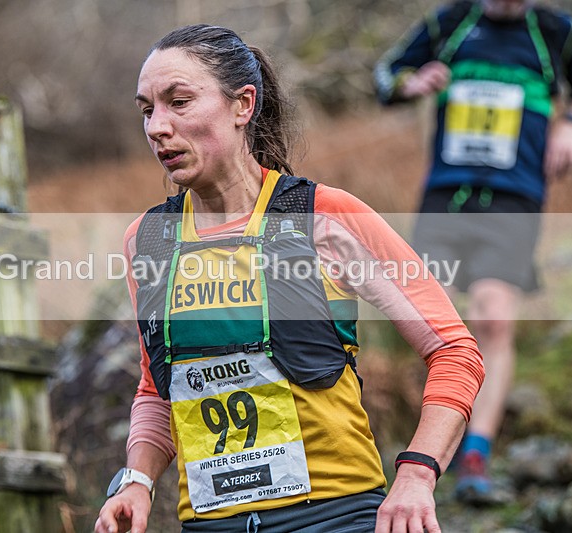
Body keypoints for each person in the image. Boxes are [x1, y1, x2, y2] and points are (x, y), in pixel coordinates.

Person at [95, 24, 485, 533]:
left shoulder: (325, 217)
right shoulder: (146, 240)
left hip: (335, 516)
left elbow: (455, 351)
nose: (157, 127)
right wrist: (137, 482)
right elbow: (157, 389)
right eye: (148, 109)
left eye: (179, 102)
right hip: (211, 523)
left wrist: (418, 472)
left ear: (242, 105)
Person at [374, 0, 572, 504]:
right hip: (446, 193)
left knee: (494, 318)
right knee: (427, 323)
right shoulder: (451, 22)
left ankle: (475, 452)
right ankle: (434, 441)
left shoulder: (555, 32)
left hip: (514, 197)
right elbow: (385, 76)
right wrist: (410, 84)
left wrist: (571, 121)